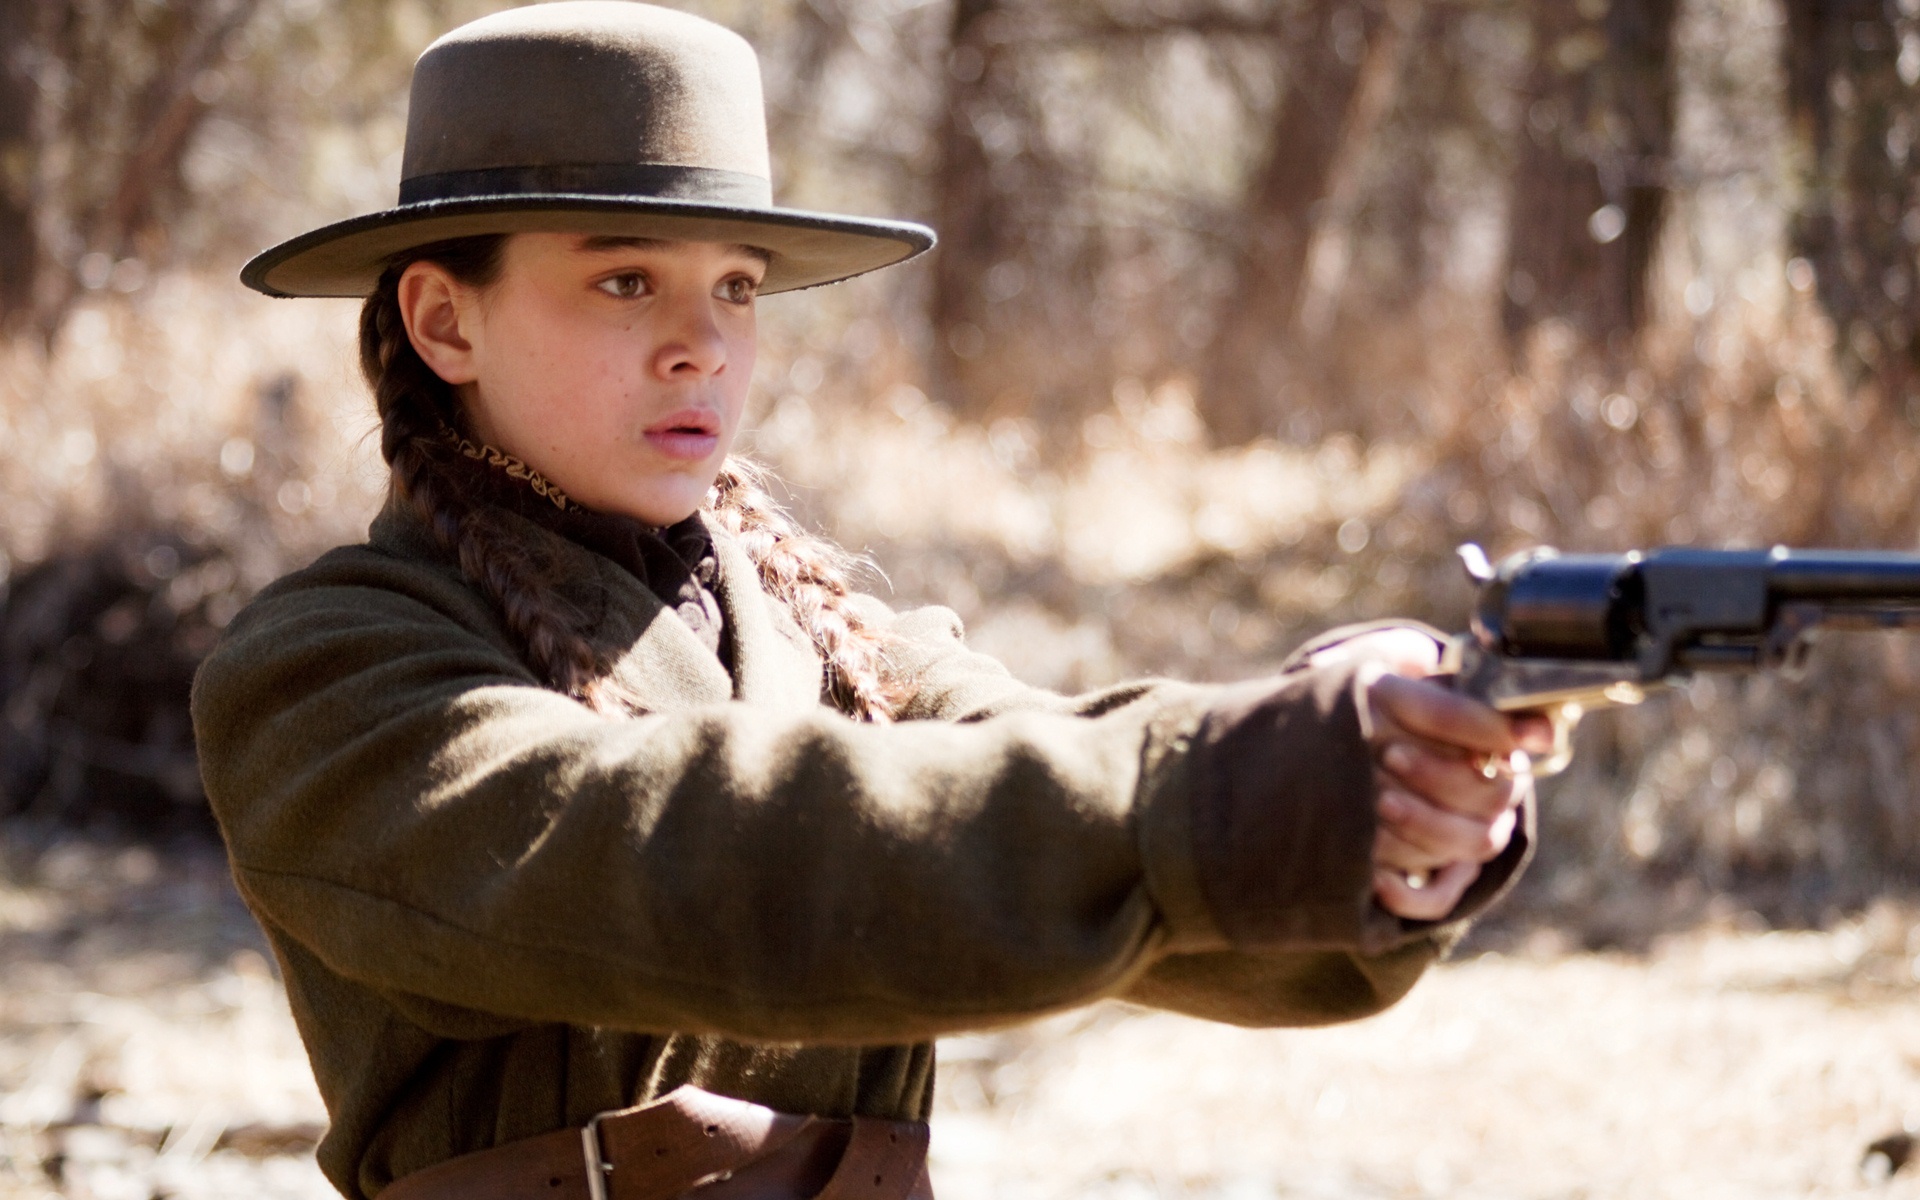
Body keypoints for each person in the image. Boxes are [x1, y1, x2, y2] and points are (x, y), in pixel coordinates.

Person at [191, 5, 1550, 1199]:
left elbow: (1075, 795)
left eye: (737, 286)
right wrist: (1229, 780)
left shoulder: (834, 643)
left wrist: (1382, 797)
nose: (703, 345)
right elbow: (701, 855)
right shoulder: (323, 671)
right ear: (445, 322)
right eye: (625, 279)